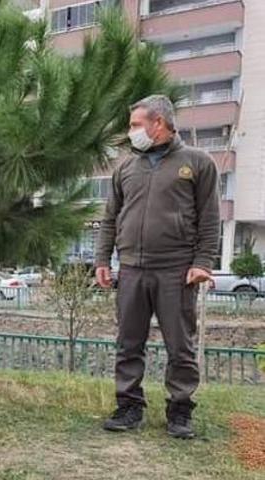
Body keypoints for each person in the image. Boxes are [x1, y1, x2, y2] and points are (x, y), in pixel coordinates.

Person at [95, 94, 219, 439]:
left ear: (159, 123)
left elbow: (210, 219)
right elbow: (110, 218)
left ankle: (180, 410)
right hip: (131, 269)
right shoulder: (126, 168)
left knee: (180, 346)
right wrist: (103, 260)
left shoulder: (198, 162)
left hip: (176, 271)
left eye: (135, 125)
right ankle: (129, 406)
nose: (131, 132)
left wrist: (203, 262)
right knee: (128, 342)